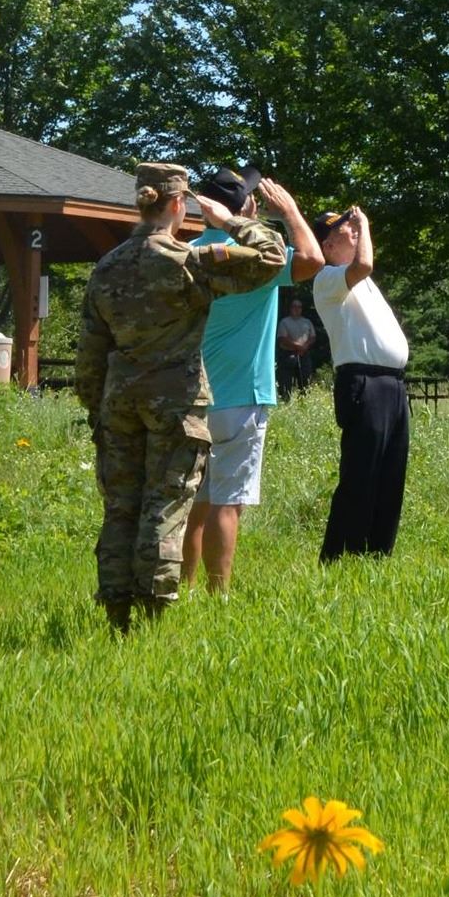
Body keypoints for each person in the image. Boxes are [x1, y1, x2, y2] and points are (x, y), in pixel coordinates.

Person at [74, 162, 287, 630]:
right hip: (175, 402)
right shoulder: (186, 263)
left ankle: (115, 612)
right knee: (165, 506)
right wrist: (230, 221)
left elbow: (89, 358)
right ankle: (153, 617)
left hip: (119, 403)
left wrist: (98, 412)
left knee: (121, 508)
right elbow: (272, 256)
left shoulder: (107, 268)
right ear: (178, 204)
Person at [180, 173, 323, 595]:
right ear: (246, 210)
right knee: (228, 503)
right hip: (243, 398)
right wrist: (290, 211)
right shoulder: (256, 258)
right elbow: (313, 259)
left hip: (193, 396)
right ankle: (218, 596)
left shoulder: (187, 254)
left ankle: (184, 591)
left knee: (196, 503)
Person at [311, 204, 410, 561]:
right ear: (327, 245)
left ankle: (376, 554)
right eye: (343, 229)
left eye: (354, 227)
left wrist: (360, 227)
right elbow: (365, 263)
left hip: (392, 386)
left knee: (390, 476)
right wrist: (365, 222)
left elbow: (365, 267)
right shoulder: (328, 279)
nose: (352, 230)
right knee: (361, 475)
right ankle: (338, 557)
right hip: (363, 383)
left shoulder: (362, 283)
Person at [275, 295, 318, 399]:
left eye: (299, 307)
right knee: (285, 383)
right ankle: (285, 402)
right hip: (287, 355)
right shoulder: (284, 322)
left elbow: (313, 337)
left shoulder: (307, 322)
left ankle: (304, 402)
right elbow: (282, 338)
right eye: (294, 306)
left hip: (304, 355)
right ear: (290, 308)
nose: (297, 309)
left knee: (305, 383)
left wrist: (305, 346)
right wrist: (298, 346)